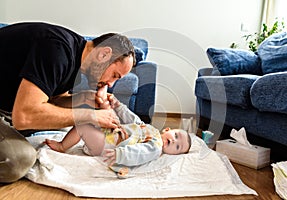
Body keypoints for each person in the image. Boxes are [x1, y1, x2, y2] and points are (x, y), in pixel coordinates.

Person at [0, 22, 135, 183]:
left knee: (64, 125)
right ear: (104, 54)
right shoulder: (56, 50)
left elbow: (52, 99)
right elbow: (24, 116)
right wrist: (89, 115)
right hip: (16, 112)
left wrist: (81, 99)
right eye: (114, 75)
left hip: (9, 107)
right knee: (19, 160)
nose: (111, 84)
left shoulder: (77, 58)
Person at [44, 86, 192, 178]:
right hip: (112, 131)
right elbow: (132, 120)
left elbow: (140, 152)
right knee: (108, 111)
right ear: (167, 130)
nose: (174, 141)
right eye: (176, 136)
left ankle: (63, 146)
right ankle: (107, 99)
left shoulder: (156, 147)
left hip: (107, 146)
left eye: (177, 147)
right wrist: (118, 106)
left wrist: (121, 155)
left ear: (173, 154)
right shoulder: (150, 129)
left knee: (82, 125)